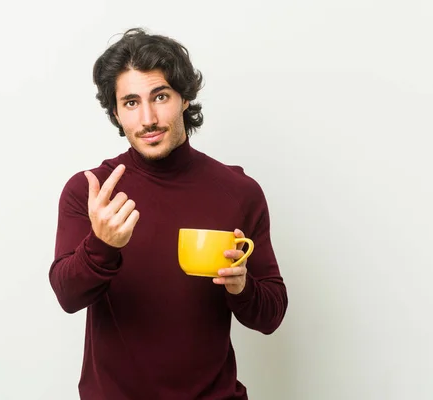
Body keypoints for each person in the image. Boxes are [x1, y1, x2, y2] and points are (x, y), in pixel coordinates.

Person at [48, 27, 288, 400]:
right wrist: (101, 245)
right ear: (116, 112)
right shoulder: (92, 191)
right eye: (130, 102)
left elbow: (271, 315)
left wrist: (242, 287)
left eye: (160, 97)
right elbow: (67, 296)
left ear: (185, 99)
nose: (148, 118)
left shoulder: (239, 192)